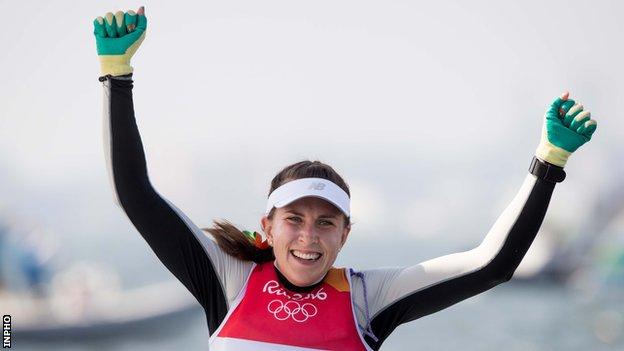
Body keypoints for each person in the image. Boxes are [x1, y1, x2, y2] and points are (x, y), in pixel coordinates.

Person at [93, 7, 598, 351]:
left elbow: (493, 264)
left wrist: (548, 161)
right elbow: (135, 194)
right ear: (267, 226)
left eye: (326, 222)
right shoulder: (228, 279)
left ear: (345, 235)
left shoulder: (367, 299)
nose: (309, 236)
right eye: (295, 219)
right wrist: (117, 75)